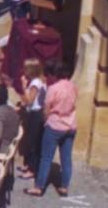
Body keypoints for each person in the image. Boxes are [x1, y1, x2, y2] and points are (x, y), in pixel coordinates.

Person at [30, 60, 78, 197]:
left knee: (46, 158)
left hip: (55, 125)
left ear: (53, 75)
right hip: (71, 125)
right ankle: (64, 187)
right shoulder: (73, 86)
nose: (47, 78)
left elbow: (46, 109)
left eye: (48, 75)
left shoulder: (53, 88)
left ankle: (39, 187)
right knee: (66, 158)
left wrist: (45, 122)